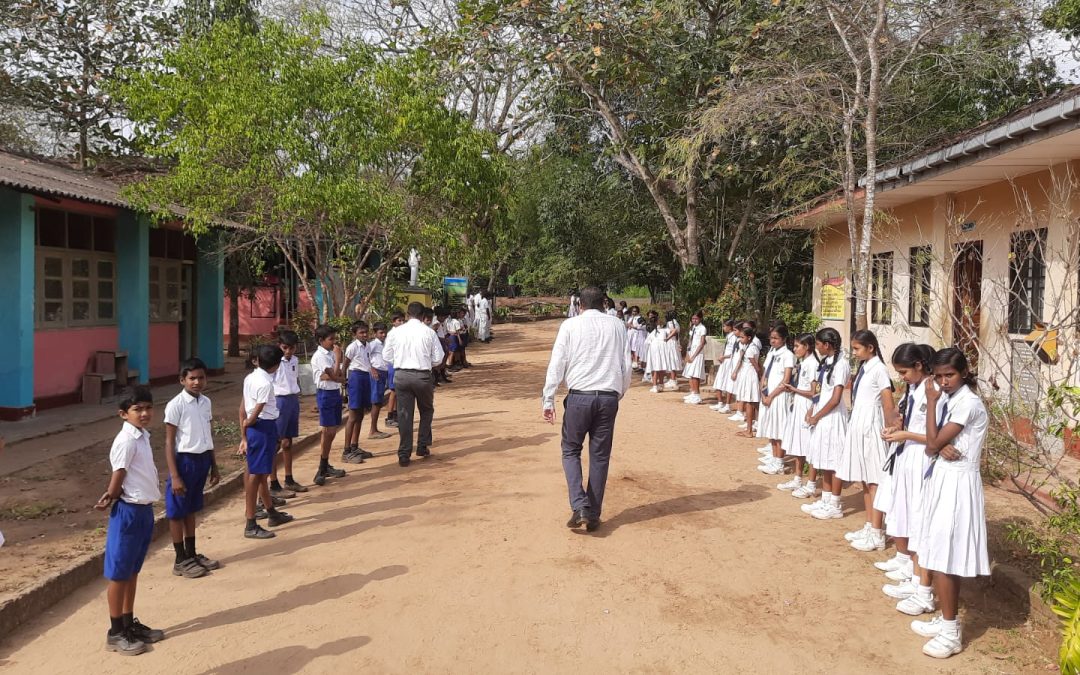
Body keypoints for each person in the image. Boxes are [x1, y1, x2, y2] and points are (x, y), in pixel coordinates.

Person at [911, 348, 989, 659]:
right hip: (943, 477)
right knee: (936, 550)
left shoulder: (967, 403)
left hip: (958, 484)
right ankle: (945, 619)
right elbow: (935, 443)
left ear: (964, 372)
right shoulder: (950, 398)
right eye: (939, 376)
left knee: (946, 558)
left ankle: (951, 631)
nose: (943, 382)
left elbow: (931, 442)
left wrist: (931, 406)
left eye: (950, 375)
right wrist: (939, 446)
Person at [542, 285, 632, 533]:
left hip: (579, 397)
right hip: (608, 396)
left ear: (579, 305)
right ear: (604, 303)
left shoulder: (570, 325)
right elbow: (626, 364)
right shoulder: (617, 325)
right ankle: (592, 512)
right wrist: (618, 393)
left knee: (571, 450)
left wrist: (548, 398)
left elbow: (557, 362)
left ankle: (580, 505)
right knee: (600, 456)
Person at [95, 386, 166, 656]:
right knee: (119, 574)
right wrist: (111, 494)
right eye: (138, 409)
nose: (144, 413)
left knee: (132, 571)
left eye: (148, 408)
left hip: (143, 510)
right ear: (123, 414)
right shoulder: (125, 440)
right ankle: (115, 632)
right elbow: (120, 471)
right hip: (127, 512)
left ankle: (128, 622)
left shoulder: (142, 436)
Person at [880, 344, 940, 615]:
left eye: (904, 371)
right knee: (906, 515)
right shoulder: (915, 389)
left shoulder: (933, 390)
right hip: (907, 457)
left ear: (919, 365)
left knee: (918, 520)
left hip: (921, 459)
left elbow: (934, 435)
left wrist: (906, 435)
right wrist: (896, 429)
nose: (901, 377)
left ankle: (920, 584)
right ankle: (913, 576)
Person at [838, 330, 898, 550]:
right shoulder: (865, 367)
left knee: (874, 479)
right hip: (859, 423)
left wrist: (891, 427)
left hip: (871, 425)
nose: (854, 353)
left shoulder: (879, 369)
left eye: (857, 348)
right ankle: (869, 525)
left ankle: (877, 532)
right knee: (865, 478)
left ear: (870, 347)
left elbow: (887, 402)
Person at [163, 358, 220, 580]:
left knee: (191, 509)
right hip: (184, 462)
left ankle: (191, 553)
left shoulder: (206, 402)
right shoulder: (175, 405)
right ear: (182, 380)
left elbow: (208, 435)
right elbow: (169, 442)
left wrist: (214, 466)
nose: (197, 382)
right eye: (192, 378)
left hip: (202, 460)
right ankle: (180, 559)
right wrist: (175, 475)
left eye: (201, 378)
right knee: (177, 511)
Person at [239, 345, 294, 539]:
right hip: (262, 427)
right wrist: (250, 422)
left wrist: (245, 430)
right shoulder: (265, 383)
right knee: (256, 475)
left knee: (262, 472)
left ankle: (271, 511)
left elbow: (244, 406)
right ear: (276, 365)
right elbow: (258, 407)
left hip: (261, 428)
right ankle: (251, 522)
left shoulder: (251, 378)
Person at [383, 301, 445, 466]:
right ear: (423, 316)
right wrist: (426, 363)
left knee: (404, 414)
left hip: (401, 375)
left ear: (407, 314)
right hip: (422, 376)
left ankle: (404, 453)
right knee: (426, 410)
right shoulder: (429, 332)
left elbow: (386, 355)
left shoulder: (396, 332)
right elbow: (438, 358)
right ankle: (422, 445)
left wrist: (400, 362)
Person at [801, 327, 851, 520]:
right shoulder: (826, 362)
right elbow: (821, 392)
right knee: (825, 458)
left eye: (819, 344)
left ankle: (835, 504)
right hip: (822, 415)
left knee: (835, 459)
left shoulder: (841, 364)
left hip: (832, 417)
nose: (817, 347)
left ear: (827, 345)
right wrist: (812, 409)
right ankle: (826, 499)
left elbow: (835, 399)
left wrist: (817, 416)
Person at [778, 333, 820, 492]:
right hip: (799, 404)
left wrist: (793, 389)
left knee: (808, 444)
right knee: (798, 443)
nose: (794, 349)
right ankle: (797, 479)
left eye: (797, 346)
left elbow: (813, 392)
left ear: (806, 347)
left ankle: (811, 483)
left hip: (806, 406)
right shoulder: (804, 363)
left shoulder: (813, 364)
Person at [309, 325, 348, 485]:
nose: (334, 342)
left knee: (332, 431)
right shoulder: (320, 356)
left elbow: (338, 375)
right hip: (325, 394)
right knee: (328, 431)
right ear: (321, 340)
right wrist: (338, 360)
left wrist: (336, 375)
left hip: (334, 392)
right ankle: (322, 466)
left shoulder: (330, 353)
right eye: (330, 339)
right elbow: (334, 375)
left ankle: (325, 464)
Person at [270, 330, 308, 497]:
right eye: (285, 348)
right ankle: (273, 483)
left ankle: (289, 479)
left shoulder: (295, 360)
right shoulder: (274, 362)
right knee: (276, 443)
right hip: (279, 401)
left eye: (291, 348)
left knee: (288, 442)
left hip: (292, 400)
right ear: (279, 346)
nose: (288, 351)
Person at [757, 326, 796, 475]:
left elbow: (786, 379)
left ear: (784, 339)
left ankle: (779, 462)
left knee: (779, 429)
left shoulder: (787, 355)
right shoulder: (772, 352)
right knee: (772, 428)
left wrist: (771, 395)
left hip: (778, 397)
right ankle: (774, 458)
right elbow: (765, 374)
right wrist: (762, 392)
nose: (772, 341)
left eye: (776, 338)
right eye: (771, 338)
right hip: (767, 395)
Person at [342, 321, 373, 463]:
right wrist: (343, 382)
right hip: (355, 378)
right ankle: (346, 450)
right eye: (361, 332)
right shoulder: (352, 347)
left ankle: (355, 446)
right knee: (353, 415)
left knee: (360, 414)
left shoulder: (368, 346)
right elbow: (345, 364)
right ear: (355, 334)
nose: (364, 335)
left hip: (365, 378)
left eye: (366, 332)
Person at [730, 323, 761, 437]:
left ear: (749, 337)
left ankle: (749, 429)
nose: (740, 339)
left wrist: (760, 377)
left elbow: (756, 366)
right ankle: (751, 427)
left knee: (749, 402)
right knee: (750, 402)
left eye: (742, 337)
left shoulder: (751, 349)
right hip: (746, 374)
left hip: (750, 376)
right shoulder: (746, 347)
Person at [366, 322, 393, 440]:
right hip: (377, 373)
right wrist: (371, 368)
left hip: (384, 372)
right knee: (376, 401)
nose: (383, 335)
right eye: (381, 333)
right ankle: (373, 430)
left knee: (379, 400)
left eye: (384, 333)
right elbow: (365, 357)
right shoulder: (372, 345)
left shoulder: (385, 343)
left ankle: (374, 429)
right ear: (375, 333)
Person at [709, 320, 739, 414]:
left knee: (729, 383)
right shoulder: (728, 336)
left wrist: (724, 357)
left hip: (730, 361)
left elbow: (734, 352)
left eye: (725, 326)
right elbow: (726, 349)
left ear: (730, 327)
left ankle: (727, 405)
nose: (723, 328)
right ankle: (720, 402)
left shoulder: (735, 338)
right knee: (719, 380)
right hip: (724, 361)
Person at [384, 312, 405, 428]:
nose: (401, 323)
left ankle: (396, 414)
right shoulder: (392, 334)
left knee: (398, 392)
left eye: (403, 320)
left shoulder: (403, 332)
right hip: (393, 365)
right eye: (399, 321)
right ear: (393, 322)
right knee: (393, 391)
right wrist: (394, 363)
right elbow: (387, 353)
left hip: (400, 364)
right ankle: (390, 416)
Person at [681, 311, 708, 405]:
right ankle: (693, 392)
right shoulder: (693, 327)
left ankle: (697, 395)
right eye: (693, 319)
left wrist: (693, 356)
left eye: (696, 318)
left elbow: (702, 343)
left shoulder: (702, 328)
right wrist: (687, 353)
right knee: (690, 373)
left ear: (700, 319)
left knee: (695, 374)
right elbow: (690, 340)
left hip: (698, 353)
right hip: (691, 351)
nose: (694, 320)